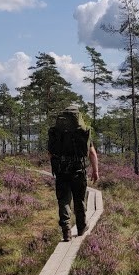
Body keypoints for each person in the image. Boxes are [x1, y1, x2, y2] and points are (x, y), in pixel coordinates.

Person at [47, 103, 99, 242]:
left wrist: (58, 164)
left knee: (63, 200)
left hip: (61, 171)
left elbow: (50, 153)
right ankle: (81, 227)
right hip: (79, 170)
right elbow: (92, 153)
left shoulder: (56, 132)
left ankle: (66, 232)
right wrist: (95, 171)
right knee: (79, 199)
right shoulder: (83, 131)